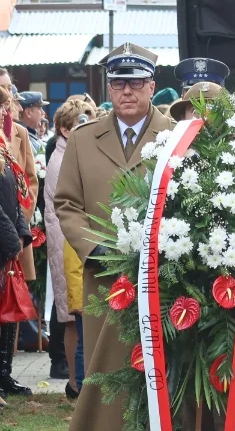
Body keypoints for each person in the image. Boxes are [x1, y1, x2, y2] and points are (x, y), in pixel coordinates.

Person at [54, 43, 179, 431]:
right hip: (103, 280)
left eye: (137, 82)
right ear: (108, 88)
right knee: (105, 373)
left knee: (162, 377)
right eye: (119, 82)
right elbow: (67, 204)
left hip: (164, 281)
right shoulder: (82, 138)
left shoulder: (177, 136)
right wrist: (95, 248)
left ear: (151, 85)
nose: (128, 91)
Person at [45, 100, 95, 400]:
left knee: (75, 317)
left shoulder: (72, 153)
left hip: (73, 246)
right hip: (69, 246)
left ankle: (76, 381)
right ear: (65, 129)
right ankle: (76, 383)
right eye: (81, 122)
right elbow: (63, 210)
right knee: (74, 318)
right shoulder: (62, 160)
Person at [0, 86, 33, 400]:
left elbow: (15, 196)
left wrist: (22, 232)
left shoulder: (4, 149)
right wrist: (13, 239)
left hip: (7, 242)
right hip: (2, 241)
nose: (2, 114)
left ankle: (4, 376)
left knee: (7, 316)